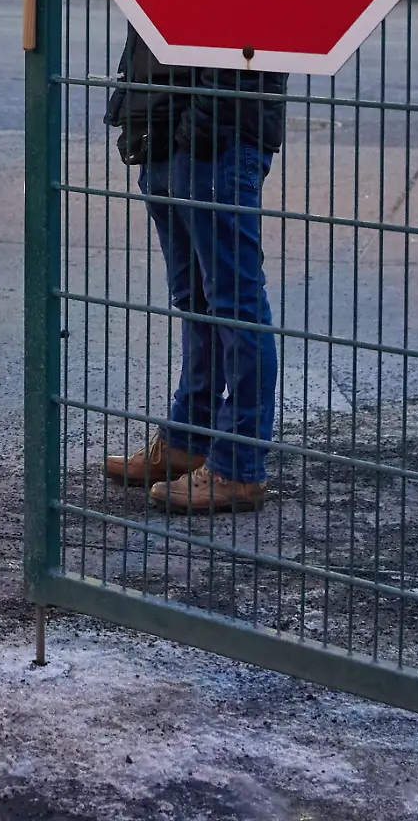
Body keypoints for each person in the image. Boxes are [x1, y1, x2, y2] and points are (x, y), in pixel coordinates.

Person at [104, 25, 286, 512]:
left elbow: (247, 45)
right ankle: (189, 439)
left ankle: (239, 468)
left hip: (210, 135)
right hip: (169, 127)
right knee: (196, 299)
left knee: (233, 302)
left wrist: (199, 128)